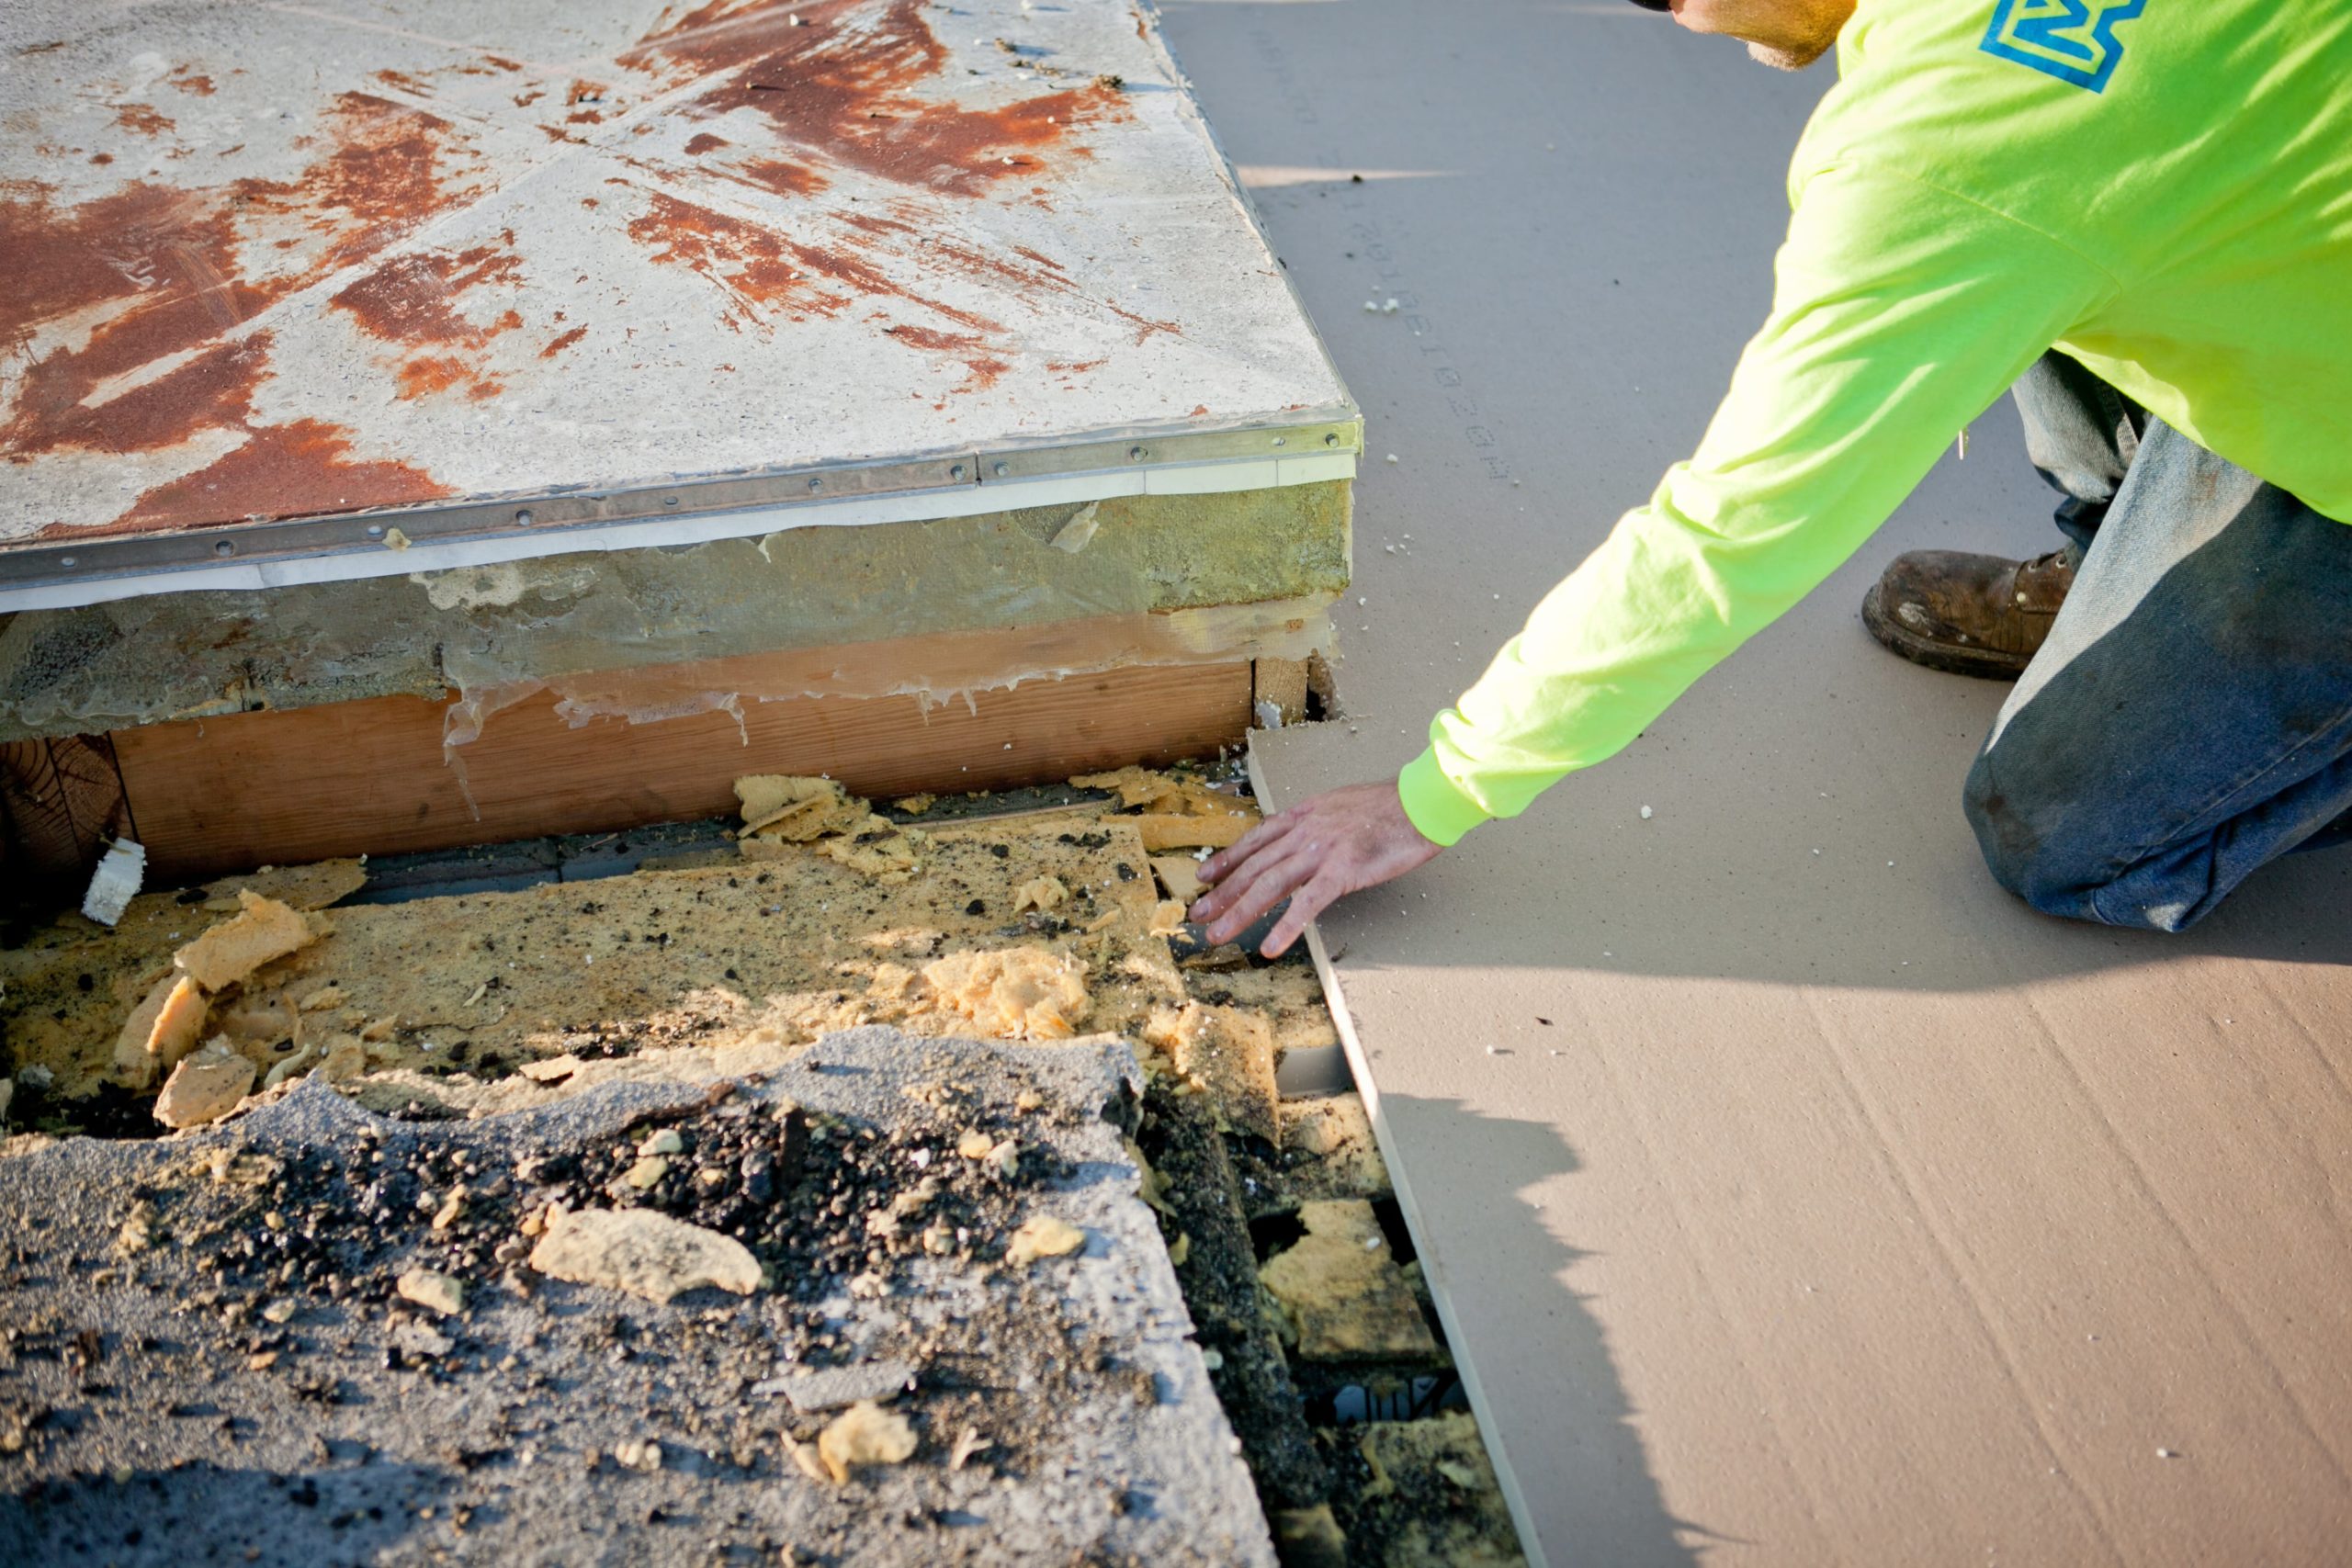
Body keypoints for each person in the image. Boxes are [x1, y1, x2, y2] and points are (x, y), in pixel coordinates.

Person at [1192, 0, 2352, 955]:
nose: (1685, 23)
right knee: (2069, 227)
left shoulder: (1946, 163)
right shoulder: (1981, 106)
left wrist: (1430, 794)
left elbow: (1730, 533)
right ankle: (2125, 562)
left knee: (2061, 834)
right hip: (2288, 272)